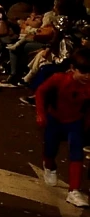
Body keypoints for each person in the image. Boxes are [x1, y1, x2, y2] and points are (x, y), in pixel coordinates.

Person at [35, 47, 90, 208]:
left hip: (75, 122)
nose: (87, 76)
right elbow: (40, 92)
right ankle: (49, 166)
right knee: (50, 150)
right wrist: (41, 113)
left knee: (76, 153)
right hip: (55, 119)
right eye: (83, 72)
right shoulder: (59, 79)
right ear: (73, 68)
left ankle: (74, 191)